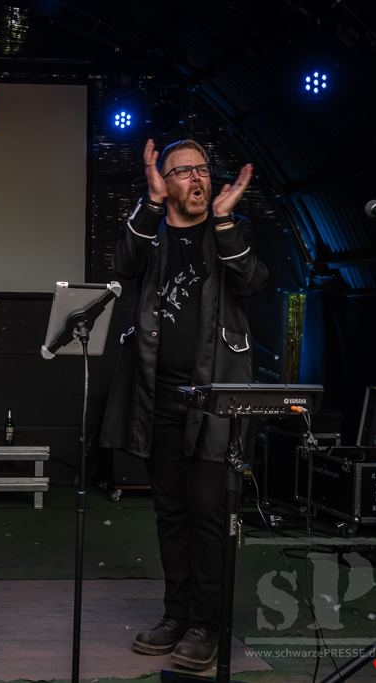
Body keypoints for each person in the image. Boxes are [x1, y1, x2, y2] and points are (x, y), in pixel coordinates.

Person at [100, 138, 268, 671]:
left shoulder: (227, 232)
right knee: (170, 512)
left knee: (208, 513)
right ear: (165, 182)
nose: (197, 178)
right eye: (183, 171)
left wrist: (225, 221)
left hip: (214, 402)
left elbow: (253, 281)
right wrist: (150, 205)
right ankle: (176, 615)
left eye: (202, 169)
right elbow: (122, 263)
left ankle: (206, 624)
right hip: (158, 399)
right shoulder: (152, 234)